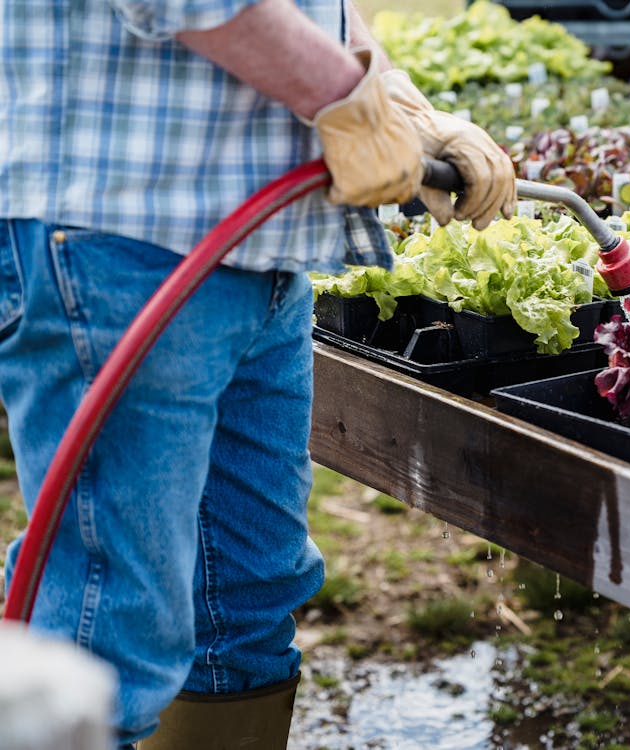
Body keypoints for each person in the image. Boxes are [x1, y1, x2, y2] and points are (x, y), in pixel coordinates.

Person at [0, 0, 516, 747]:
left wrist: (399, 101)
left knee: (241, 598)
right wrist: (348, 101)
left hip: (254, 246)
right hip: (120, 238)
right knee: (106, 629)